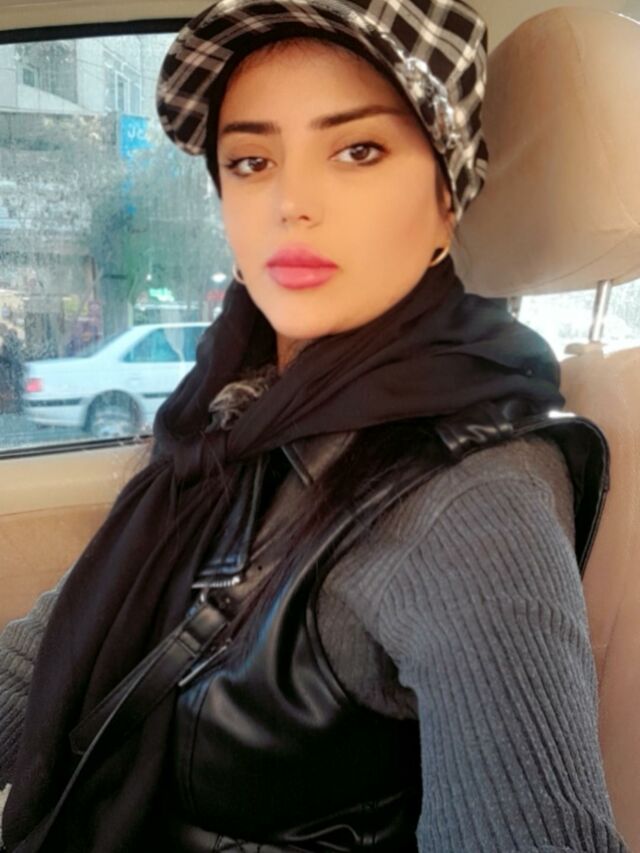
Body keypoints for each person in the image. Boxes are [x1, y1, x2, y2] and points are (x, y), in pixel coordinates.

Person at [0, 0, 630, 851]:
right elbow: (49, 651)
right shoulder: (230, 414)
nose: (291, 202)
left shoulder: (472, 501)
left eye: (358, 150)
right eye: (252, 160)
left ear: (447, 198)